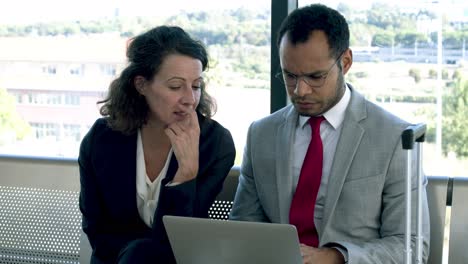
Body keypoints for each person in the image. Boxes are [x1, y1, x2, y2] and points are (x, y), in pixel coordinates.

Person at [230, 4, 430, 264]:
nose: (300, 90)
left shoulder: (394, 139)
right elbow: (243, 228)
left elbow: (411, 247)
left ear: (345, 62)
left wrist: (336, 257)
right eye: (290, 75)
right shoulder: (262, 135)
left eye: (315, 77)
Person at [78, 25, 236, 264]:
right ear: (141, 85)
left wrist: (186, 173)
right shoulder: (102, 139)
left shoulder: (215, 144)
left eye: (195, 86)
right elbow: (97, 230)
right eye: (175, 86)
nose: (189, 99)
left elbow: (183, 240)